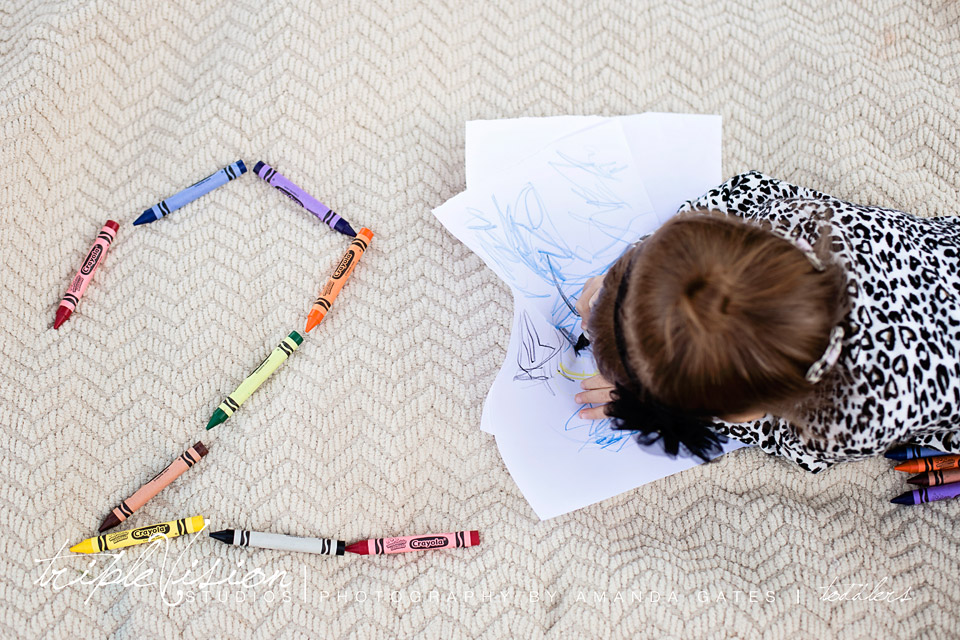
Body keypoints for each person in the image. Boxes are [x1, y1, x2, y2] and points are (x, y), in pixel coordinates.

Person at [573, 171, 960, 473]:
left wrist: (659, 405)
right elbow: (735, 196)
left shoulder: (852, 421)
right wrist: (633, 280)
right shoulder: (801, 221)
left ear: (741, 413)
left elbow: (789, 444)